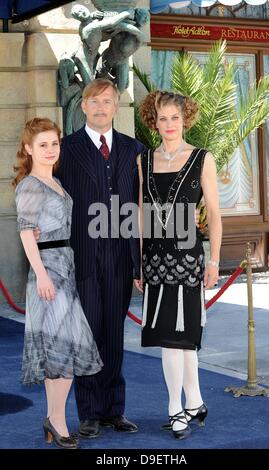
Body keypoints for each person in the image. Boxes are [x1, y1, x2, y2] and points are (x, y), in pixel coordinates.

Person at [57, 78, 144, 438]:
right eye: (94, 101)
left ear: (117, 105)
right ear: (83, 106)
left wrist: (141, 263)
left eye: (107, 101)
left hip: (121, 257)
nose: (100, 107)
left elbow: (142, 207)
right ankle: (89, 412)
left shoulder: (134, 149)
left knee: (113, 333)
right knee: (87, 334)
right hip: (83, 256)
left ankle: (113, 410)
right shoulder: (65, 149)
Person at [135, 91, 222, 440]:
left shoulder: (203, 158)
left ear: (185, 118)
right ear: (153, 120)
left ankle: (175, 409)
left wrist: (214, 259)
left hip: (187, 260)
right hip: (154, 260)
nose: (168, 124)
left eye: (174, 117)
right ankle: (196, 400)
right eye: (162, 118)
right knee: (177, 339)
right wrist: (139, 262)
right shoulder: (144, 160)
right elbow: (142, 214)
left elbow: (214, 214)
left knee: (178, 339)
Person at [13, 118, 103, 449]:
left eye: (55, 144)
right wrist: (42, 276)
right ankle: (59, 421)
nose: (51, 150)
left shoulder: (55, 182)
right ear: (28, 149)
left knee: (58, 352)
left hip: (65, 270)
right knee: (64, 350)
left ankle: (53, 418)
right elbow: (25, 232)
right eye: (43, 145)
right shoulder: (30, 185)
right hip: (48, 274)